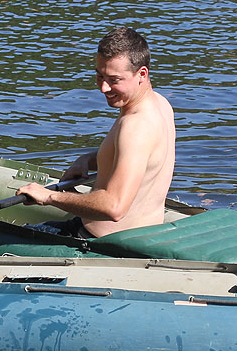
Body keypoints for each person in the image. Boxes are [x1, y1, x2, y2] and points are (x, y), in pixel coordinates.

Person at [16, 26, 175, 238]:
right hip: (143, 235)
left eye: (114, 79)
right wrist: (89, 160)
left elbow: (114, 207)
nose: (103, 88)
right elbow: (140, 158)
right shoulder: (160, 104)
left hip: (104, 243)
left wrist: (48, 197)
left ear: (142, 74)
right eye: (100, 76)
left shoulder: (136, 126)